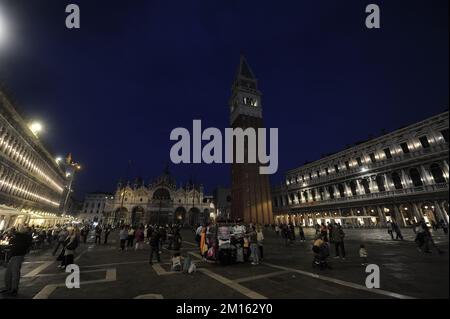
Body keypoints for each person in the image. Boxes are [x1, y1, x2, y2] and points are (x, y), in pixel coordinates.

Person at [1, 226, 32, 297]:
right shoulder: (25, 237)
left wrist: (11, 238)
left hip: (17, 255)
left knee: (14, 272)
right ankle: (9, 287)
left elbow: (12, 242)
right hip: (17, 255)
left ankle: (13, 288)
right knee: (9, 272)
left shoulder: (20, 237)